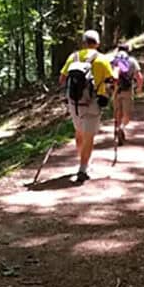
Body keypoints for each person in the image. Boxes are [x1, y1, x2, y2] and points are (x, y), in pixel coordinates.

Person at [60, 30, 116, 182]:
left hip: (74, 102)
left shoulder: (73, 57)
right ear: (97, 43)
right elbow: (111, 80)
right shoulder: (102, 59)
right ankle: (83, 167)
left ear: (83, 43)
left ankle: (83, 159)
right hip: (93, 102)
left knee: (79, 132)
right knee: (89, 136)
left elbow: (62, 79)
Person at [110, 43, 144, 145]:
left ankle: (117, 128)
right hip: (127, 90)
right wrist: (139, 88)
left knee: (117, 112)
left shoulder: (112, 61)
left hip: (115, 90)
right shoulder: (132, 61)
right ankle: (121, 127)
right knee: (127, 114)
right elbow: (139, 77)